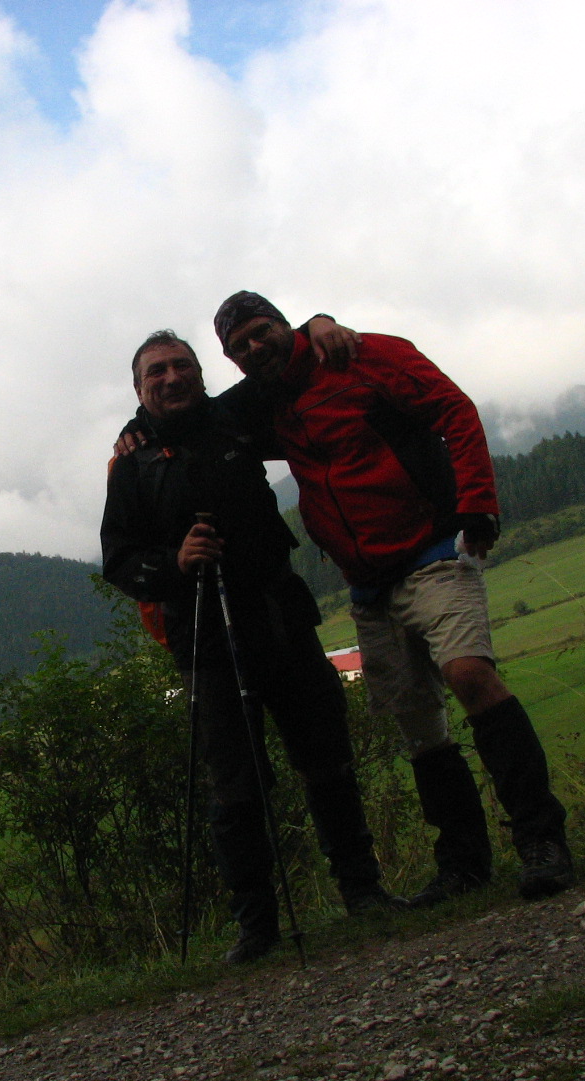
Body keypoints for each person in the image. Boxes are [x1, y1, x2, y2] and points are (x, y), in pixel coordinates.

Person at [208, 291, 575, 906]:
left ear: (284, 324)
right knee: (420, 728)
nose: (253, 346)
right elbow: (197, 419)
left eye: (261, 330)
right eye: (238, 345)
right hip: (368, 584)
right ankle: (464, 865)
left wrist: (477, 503)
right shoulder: (264, 402)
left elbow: (454, 409)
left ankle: (542, 841)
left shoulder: (362, 355)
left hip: (432, 550)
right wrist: (131, 438)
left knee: (469, 675)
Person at [101, 325, 407, 965]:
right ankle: (256, 927)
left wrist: (317, 322)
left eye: (181, 366)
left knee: (326, 757)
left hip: (279, 615)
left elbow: (287, 364)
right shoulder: (129, 465)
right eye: (156, 372)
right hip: (204, 637)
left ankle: (362, 890)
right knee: (235, 785)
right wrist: (174, 562)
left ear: (200, 373)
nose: (171, 378)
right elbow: (120, 561)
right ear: (138, 388)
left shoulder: (236, 415)